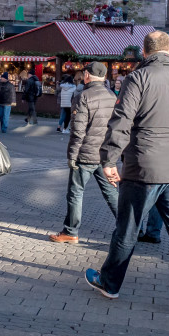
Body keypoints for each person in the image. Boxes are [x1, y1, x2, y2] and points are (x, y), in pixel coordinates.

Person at [85, 30, 169, 319]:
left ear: (145, 52)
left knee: (127, 229)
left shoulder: (138, 78)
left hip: (143, 166)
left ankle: (110, 283)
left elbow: (122, 120)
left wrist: (109, 158)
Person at [49, 62, 118, 244]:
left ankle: (71, 231)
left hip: (86, 154)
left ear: (87, 75)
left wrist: (72, 155)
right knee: (111, 193)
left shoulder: (83, 96)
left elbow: (78, 131)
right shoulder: (112, 96)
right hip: (105, 155)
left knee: (76, 193)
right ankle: (128, 227)